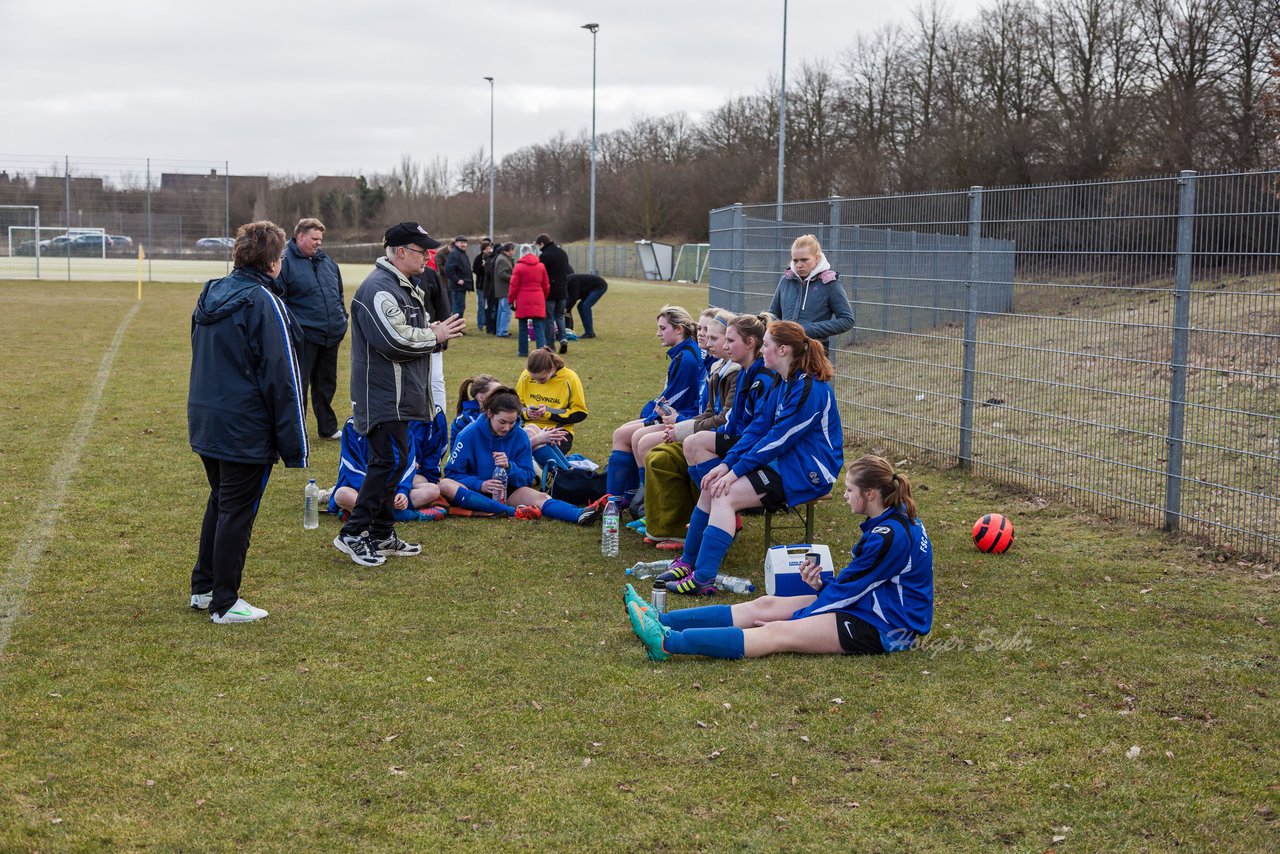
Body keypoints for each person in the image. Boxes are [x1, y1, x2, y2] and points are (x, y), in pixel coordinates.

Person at [625, 455, 933, 661]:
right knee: (765, 605)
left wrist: (798, 618)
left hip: (886, 628)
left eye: (849, 490)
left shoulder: (889, 536)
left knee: (774, 631)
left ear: (870, 494)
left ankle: (668, 643)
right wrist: (823, 584)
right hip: (869, 605)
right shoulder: (893, 519)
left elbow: (851, 590)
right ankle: (661, 619)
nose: (844, 495)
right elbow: (859, 584)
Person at [659, 320, 844, 596]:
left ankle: (704, 579)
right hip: (784, 461)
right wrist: (726, 465)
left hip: (809, 470)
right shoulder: (784, 382)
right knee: (713, 484)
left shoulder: (810, 388)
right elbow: (757, 429)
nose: (762, 350)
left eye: (766, 345)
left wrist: (733, 473)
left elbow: (778, 439)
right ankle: (688, 562)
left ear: (782, 350)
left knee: (725, 494)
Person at [188, 220, 307, 624]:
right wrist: (295, 445)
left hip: (208, 418)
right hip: (242, 427)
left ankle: (205, 587)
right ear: (274, 262)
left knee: (222, 501)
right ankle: (224, 601)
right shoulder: (262, 301)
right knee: (235, 509)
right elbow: (283, 375)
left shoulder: (212, 292)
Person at [333, 222, 465, 568]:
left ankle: (380, 532)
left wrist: (434, 333)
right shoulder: (378, 289)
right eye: (423, 251)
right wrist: (433, 334)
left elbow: (411, 334)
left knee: (395, 462)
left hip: (400, 395)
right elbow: (394, 340)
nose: (428, 257)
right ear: (401, 252)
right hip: (381, 395)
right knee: (385, 462)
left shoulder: (405, 287)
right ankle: (353, 533)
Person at [438, 386, 603, 525]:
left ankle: (578, 514)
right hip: (475, 492)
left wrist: (510, 467)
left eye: (512, 422)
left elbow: (527, 476)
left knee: (540, 497)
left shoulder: (520, 435)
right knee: (445, 485)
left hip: (508, 491)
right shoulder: (468, 434)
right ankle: (511, 512)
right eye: (502, 422)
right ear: (489, 414)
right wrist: (481, 484)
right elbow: (453, 473)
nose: (508, 427)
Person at [605, 305, 705, 507]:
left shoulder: (686, 358)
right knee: (622, 432)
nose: (658, 333)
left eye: (663, 328)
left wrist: (651, 416)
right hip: (682, 414)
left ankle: (632, 502)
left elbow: (674, 400)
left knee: (627, 436)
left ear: (679, 329)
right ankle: (623, 496)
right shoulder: (682, 352)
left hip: (684, 417)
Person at [278, 217, 347, 440]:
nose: (318, 243)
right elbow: (280, 300)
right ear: (300, 236)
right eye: (314, 238)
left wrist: (342, 319)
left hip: (331, 335)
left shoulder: (327, 262)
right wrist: (293, 331)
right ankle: (296, 430)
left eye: (320, 239)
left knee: (326, 384)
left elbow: (339, 293)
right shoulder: (284, 262)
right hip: (303, 338)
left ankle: (327, 428)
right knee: (299, 385)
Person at [328, 415, 446, 522]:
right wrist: (378, 491)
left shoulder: (402, 429)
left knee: (433, 490)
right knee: (342, 494)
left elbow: (408, 466)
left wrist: (402, 492)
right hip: (362, 490)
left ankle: (360, 513)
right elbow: (351, 467)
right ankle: (407, 515)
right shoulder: (353, 425)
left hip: (392, 492)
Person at [768, 234, 854, 356]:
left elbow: (847, 320)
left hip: (814, 352)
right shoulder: (786, 280)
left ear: (817, 258)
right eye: (795, 260)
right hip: (784, 352)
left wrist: (807, 329)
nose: (799, 265)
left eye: (804, 260)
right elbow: (773, 314)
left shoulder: (829, 283)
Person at [508, 243, 549, 358]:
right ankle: (542, 352)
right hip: (538, 298)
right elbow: (546, 285)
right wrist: (543, 297)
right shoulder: (541, 266)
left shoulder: (518, 267)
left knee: (522, 328)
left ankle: (523, 351)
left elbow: (513, 286)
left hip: (523, 299)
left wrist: (511, 300)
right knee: (539, 327)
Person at [534, 233, 571, 354]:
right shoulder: (562, 253)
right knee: (559, 316)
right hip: (562, 290)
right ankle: (563, 339)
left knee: (549, 319)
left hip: (549, 291)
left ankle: (550, 345)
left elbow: (541, 274)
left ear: (541, 243)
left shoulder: (544, 256)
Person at [566, 272, 608, 338]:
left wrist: (566, 308)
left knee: (585, 306)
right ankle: (589, 332)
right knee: (580, 306)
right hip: (589, 289)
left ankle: (589, 333)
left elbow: (574, 297)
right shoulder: (566, 282)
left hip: (599, 286)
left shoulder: (571, 280)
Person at [444, 235, 473, 321]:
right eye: (461, 243)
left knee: (461, 307)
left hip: (462, 286)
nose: (463, 244)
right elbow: (448, 270)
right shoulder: (454, 254)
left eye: (464, 243)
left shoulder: (462, 254)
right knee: (457, 307)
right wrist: (457, 280)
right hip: (457, 286)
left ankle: (457, 328)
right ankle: (455, 328)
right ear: (456, 243)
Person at [493, 242, 516, 337]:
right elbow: (502, 274)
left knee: (501, 311)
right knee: (506, 311)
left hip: (502, 289)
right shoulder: (503, 259)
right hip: (504, 289)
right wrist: (515, 278)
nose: (514, 252)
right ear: (510, 250)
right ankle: (503, 332)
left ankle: (500, 330)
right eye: (514, 250)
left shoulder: (503, 258)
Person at [473, 239, 492, 333]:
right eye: (487, 248)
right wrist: (483, 266)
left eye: (490, 248)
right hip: (481, 286)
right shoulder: (478, 258)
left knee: (489, 306)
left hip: (489, 286)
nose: (489, 250)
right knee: (481, 306)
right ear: (483, 250)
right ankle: (480, 325)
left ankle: (488, 323)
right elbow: (475, 270)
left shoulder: (492, 257)